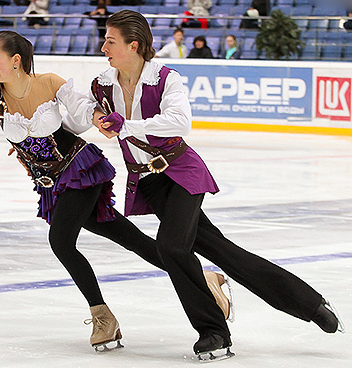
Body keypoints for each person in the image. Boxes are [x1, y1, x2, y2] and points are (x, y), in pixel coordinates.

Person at [0, 30, 233, 353]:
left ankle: (102, 316)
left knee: (61, 241)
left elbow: (83, 111)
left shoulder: (51, 83)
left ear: (16, 60)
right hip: (51, 184)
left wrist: (103, 121)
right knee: (130, 238)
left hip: (81, 171)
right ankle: (204, 279)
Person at [88, 9, 344, 361]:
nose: (103, 46)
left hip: (181, 172)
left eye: (110, 41)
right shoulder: (103, 83)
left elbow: (180, 121)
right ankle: (310, 304)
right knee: (221, 251)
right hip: (147, 181)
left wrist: (128, 125)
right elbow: (82, 107)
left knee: (172, 247)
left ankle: (213, 332)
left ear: (133, 45)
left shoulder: (164, 78)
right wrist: (94, 115)